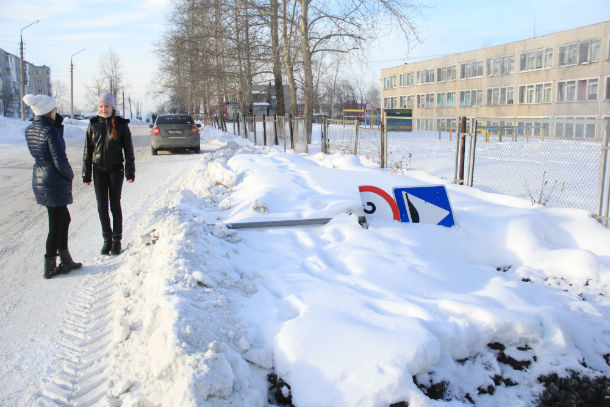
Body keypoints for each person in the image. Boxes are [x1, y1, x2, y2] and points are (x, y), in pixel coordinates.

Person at [23, 94, 82, 279]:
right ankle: (50, 266)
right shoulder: (50, 132)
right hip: (54, 180)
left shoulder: (31, 129)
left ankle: (65, 260)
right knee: (56, 224)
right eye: (54, 109)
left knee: (64, 219)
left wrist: (57, 126)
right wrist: (69, 175)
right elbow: (59, 159)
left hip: (41, 178)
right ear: (49, 111)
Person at [83, 93, 135, 255]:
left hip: (115, 170)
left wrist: (129, 172)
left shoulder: (121, 125)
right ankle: (107, 239)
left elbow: (128, 150)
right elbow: (87, 151)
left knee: (114, 205)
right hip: (99, 170)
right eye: (101, 106)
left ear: (112, 107)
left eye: (106, 106)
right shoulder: (93, 125)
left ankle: (116, 240)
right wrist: (86, 174)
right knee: (101, 206)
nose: (103, 109)